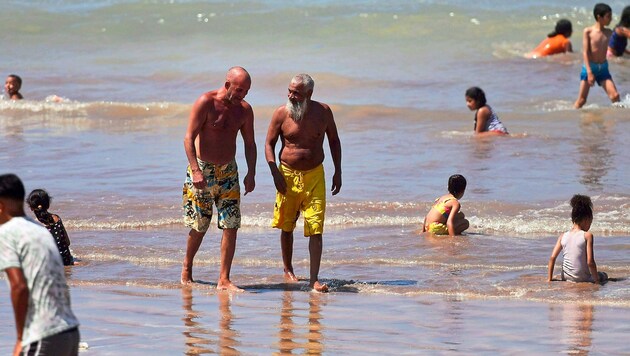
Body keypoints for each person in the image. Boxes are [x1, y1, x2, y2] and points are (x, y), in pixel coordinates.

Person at [181, 66, 257, 291]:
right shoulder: (206, 101)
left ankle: (224, 278)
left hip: (229, 173)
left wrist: (251, 172)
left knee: (231, 225)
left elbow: (250, 144)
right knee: (200, 225)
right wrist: (195, 170)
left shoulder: (244, 110)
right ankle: (187, 267)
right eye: (240, 89)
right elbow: (188, 138)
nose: (243, 95)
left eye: (246, 91)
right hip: (203, 171)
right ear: (227, 85)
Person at [265, 73, 342, 293]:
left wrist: (338, 171)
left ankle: (313, 279)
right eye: (289, 91)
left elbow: (334, 141)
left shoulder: (324, 112)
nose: (291, 96)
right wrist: (274, 173)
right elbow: (269, 144)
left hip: (315, 175)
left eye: (296, 93)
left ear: (309, 94)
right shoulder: (281, 113)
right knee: (287, 225)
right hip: (287, 174)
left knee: (315, 226)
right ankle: (288, 269)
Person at [0, 174, 80, 356]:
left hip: (44, 333)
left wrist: (20, 337)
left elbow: (19, 287)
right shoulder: (40, 231)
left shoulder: (11, 233)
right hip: (70, 330)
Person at [547, 195, 608, 284]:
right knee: (604, 275)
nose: (589, 226)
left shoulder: (563, 236)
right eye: (590, 222)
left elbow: (552, 258)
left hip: (565, 277)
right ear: (586, 219)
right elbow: (590, 262)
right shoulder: (587, 235)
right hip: (582, 278)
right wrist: (596, 281)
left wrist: (549, 279)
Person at [574, 3, 620, 109]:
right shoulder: (588, 32)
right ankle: (571, 119)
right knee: (581, 100)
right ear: (599, 17)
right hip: (590, 67)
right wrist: (589, 72)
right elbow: (585, 52)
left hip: (603, 68)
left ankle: (617, 122)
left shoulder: (609, 32)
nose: (611, 19)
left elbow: (618, 43)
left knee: (615, 96)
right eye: (608, 16)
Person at [27, 189, 75, 266]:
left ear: (31, 208)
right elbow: (67, 242)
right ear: (47, 205)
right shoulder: (57, 218)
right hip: (66, 260)